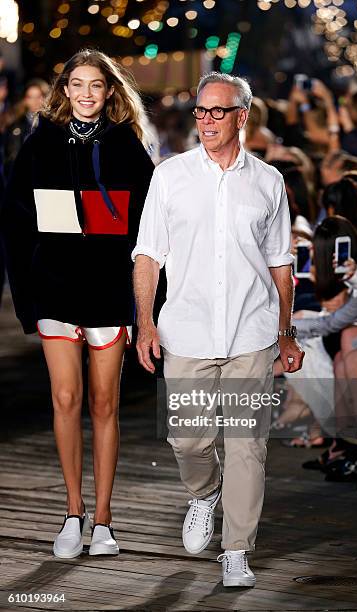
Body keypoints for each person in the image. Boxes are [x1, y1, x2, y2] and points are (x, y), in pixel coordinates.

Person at [133, 71, 304, 587]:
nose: (205, 120)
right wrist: (145, 323)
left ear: (242, 116)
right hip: (186, 330)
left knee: (248, 444)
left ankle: (236, 551)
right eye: (201, 112)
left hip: (251, 334)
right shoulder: (170, 176)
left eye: (217, 111)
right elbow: (147, 255)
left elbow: (280, 264)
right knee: (188, 441)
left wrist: (286, 331)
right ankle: (205, 494)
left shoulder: (269, 182)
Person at [2, 49, 154, 559]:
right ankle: (73, 512)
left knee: (104, 403)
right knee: (65, 400)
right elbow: (16, 222)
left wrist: (144, 305)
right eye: (77, 84)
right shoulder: (40, 142)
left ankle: (105, 521)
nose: (86, 93)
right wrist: (27, 292)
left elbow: (148, 231)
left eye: (96, 85)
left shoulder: (128, 147)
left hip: (108, 292)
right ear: (64, 90)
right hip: (56, 289)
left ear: (110, 92)